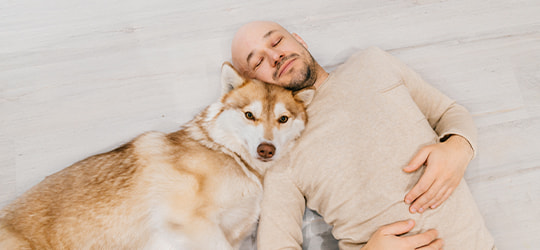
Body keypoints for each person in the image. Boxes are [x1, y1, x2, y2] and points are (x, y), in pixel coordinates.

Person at [231, 21, 495, 250]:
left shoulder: (373, 62)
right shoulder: (281, 151)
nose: (275, 56)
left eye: (276, 41)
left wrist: (459, 149)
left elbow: (449, 112)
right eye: (259, 62)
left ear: (298, 39)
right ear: (255, 84)